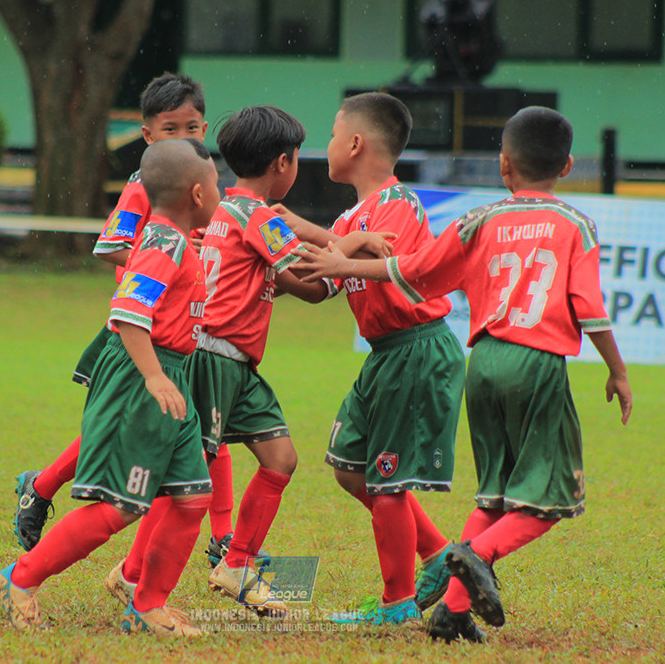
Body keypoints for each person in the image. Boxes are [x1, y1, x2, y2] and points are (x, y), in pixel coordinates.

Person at [293, 105, 633, 642]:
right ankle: (462, 558)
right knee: (546, 500)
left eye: (332, 132)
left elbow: (415, 272)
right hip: (533, 361)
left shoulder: (475, 219)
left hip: (479, 359)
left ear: (503, 166)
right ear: (567, 166)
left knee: (485, 495)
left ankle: (444, 611)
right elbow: (587, 305)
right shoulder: (576, 224)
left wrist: (342, 260)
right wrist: (617, 370)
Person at [103, 105, 391, 616]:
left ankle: (235, 562)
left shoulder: (225, 209)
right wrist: (358, 250)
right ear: (283, 163)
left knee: (279, 459)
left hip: (236, 363)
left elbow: (283, 281)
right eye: (299, 157)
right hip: (216, 359)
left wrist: (334, 258)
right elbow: (309, 281)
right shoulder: (255, 215)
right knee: (186, 479)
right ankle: (134, 576)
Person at [0, 138, 220, 636]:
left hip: (171, 374)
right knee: (118, 507)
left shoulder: (176, 240)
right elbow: (129, 314)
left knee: (192, 497)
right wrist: (154, 375)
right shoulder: (164, 244)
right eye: (217, 184)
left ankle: (148, 605)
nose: (221, 191)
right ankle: (19, 579)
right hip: (143, 377)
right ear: (198, 194)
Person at [12, 73, 237, 564]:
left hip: (193, 329)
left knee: (204, 431)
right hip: (144, 329)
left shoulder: (205, 183)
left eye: (193, 127)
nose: (184, 139)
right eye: (171, 129)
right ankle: (46, 493)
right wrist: (173, 257)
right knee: (151, 430)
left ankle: (213, 540)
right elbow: (113, 246)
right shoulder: (149, 184)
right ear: (148, 136)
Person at [274, 92, 466, 627]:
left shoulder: (398, 204)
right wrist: (271, 268)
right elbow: (323, 281)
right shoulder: (352, 216)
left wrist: (328, 248)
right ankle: (440, 558)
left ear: (355, 143)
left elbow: (396, 265)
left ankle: (397, 605)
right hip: (385, 355)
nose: (327, 145)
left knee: (386, 481)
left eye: (333, 134)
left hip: (416, 348)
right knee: (352, 468)